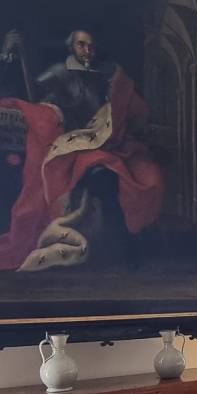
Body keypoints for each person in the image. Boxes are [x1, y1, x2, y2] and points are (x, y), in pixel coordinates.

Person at [0, 28, 163, 271]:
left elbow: (126, 110)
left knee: (146, 175)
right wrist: (8, 55)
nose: (87, 50)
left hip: (108, 143)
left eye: (91, 46)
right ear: (72, 47)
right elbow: (34, 99)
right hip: (73, 146)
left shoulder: (109, 74)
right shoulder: (59, 73)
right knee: (105, 179)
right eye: (81, 45)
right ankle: (126, 254)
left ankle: (131, 251)